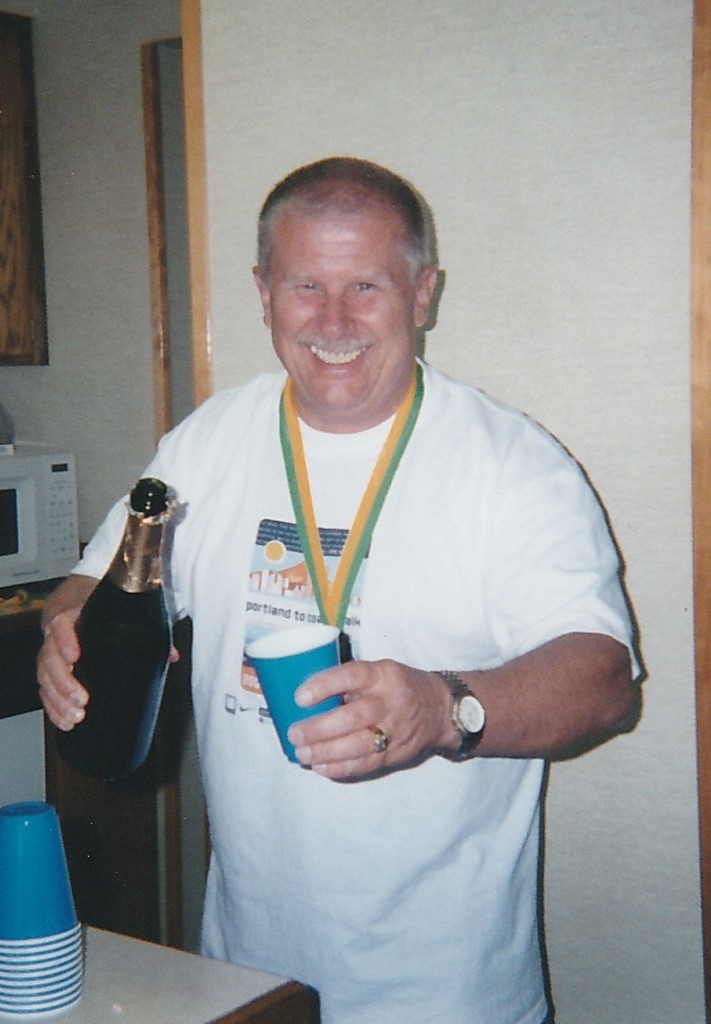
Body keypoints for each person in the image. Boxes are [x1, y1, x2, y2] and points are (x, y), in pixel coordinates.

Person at [38, 157, 639, 1024]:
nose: (332, 321)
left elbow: (603, 676)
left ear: (422, 293)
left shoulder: (511, 465)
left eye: (365, 286)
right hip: (248, 974)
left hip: (447, 990)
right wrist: (65, 630)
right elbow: (94, 580)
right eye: (304, 286)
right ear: (262, 292)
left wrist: (442, 707)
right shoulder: (209, 441)